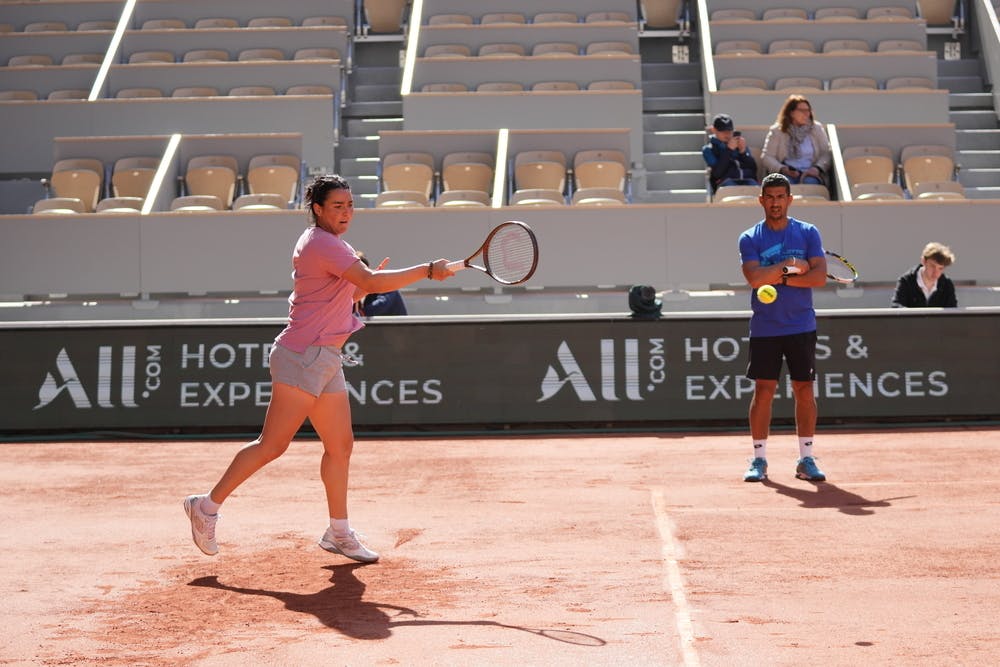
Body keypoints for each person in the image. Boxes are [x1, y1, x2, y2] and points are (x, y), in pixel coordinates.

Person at [184, 174, 456, 563]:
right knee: (272, 445)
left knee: (340, 446)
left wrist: (358, 290)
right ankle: (205, 506)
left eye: (349, 205)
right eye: (337, 206)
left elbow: (351, 290)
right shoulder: (321, 243)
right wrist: (427, 270)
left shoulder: (334, 245)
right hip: (303, 355)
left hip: (326, 358)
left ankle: (338, 532)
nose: (346, 213)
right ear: (317, 209)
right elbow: (372, 282)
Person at [737, 172, 828, 483]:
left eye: (780, 197)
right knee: (764, 390)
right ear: (761, 200)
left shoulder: (808, 232)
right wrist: (791, 264)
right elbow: (754, 279)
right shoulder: (749, 238)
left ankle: (806, 458)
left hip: (801, 324)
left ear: (789, 200)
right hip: (765, 326)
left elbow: (818, 277)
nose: (775, 202)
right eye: (770, 197)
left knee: (804, 389)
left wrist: (780, 276)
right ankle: (759, 459)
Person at [760, 95, 832, 187]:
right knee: (785, 187)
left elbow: (826, 154)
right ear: (791, 113)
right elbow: (767, 157)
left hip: (811, 173)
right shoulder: (777, 131)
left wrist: (817, 168)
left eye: (808, 110)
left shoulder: (816, 128)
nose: (806, 114)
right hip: (787, 174)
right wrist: (783, 169)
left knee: (810, 186)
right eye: (802, 111)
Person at [702, 113, 759, 192]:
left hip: (748, 180)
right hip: (725, 183)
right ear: (714, 130)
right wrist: (729, 150)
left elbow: (754, 169)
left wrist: (743, 152)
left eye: (729, 130)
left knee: (759, 192)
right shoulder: (708, 149)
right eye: (722, 131)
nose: (727, 134)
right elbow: (717, 173)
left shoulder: (738, 143)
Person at [891, 242, 958, 308]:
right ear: (923, 261)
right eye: (932, 266)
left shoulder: (947, 284)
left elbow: (953, 312)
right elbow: (897, 308)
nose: (936, 272)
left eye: (940, 268)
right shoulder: (906, 281)